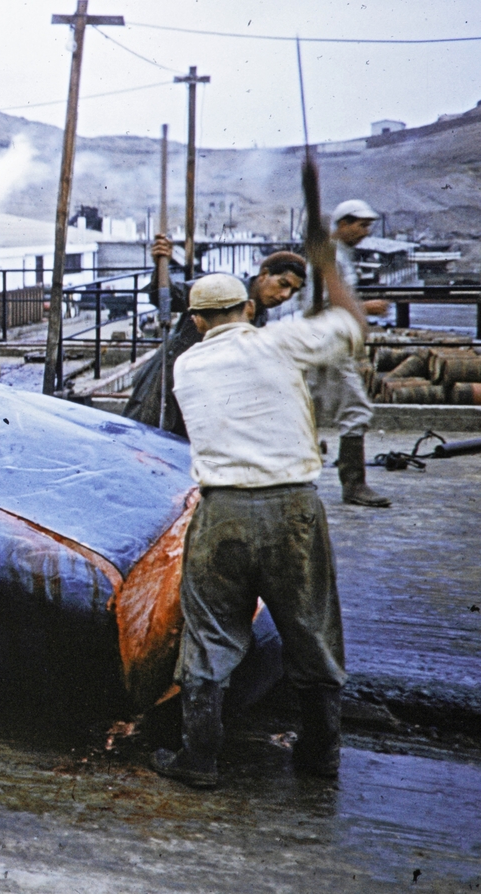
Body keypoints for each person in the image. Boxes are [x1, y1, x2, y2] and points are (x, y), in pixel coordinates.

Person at [150, 255, 365, 789]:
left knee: (209, 634)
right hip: (292, 507)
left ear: (197, 321)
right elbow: (348, 328)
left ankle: (198, 757)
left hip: (221, 510)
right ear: (248, 308)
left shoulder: (187, 365)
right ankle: (321, 753)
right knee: (310, 628)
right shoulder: (278, 341)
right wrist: (328, 270)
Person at [123, 244, 307, 436]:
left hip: (202, 396)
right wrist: (161, 264)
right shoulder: (220, 287)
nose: (285, 296)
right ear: (264, 275)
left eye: (293, 291)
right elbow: (169, 297)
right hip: (164, 387)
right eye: (283, 284)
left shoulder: (260, 317)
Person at [305, 199, 391, 507]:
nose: (366, 232)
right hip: (326, 345)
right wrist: (364, 308)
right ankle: (353, 484)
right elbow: (320, 303)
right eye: (362, 225)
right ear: (344, 224)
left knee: (306, 412)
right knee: (356, 410)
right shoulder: (329, 257)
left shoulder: (338, 255)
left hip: (326, 344)